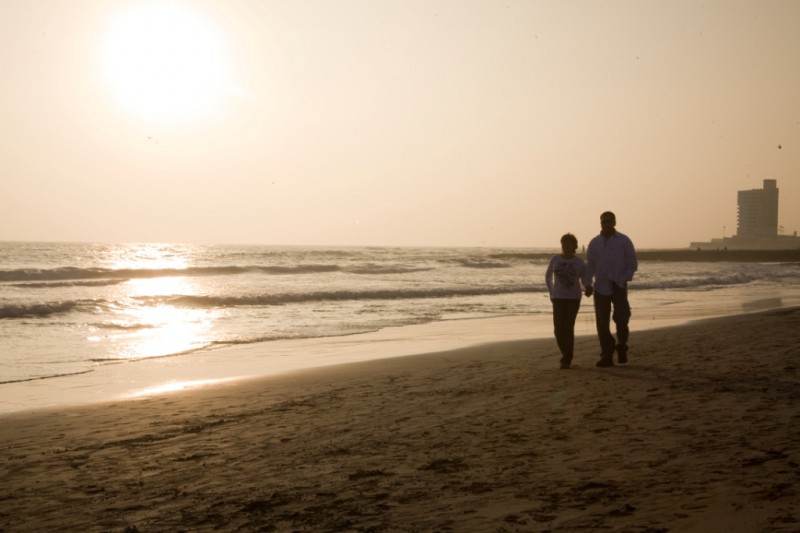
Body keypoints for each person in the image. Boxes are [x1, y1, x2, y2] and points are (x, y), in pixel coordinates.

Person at [584, 211, 638, 367]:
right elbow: (590, 266)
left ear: (614, 222)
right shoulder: (594, 243)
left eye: (608, 221)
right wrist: (587, 283)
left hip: (619, 285)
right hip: (601, 286)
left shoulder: (624, 241)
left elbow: (632, 263)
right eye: (603, 222)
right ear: (600, 223)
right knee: (602, 323)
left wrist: (623, 279)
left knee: (622, 318)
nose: (606, 224)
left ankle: (622, 345)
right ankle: (606, 355)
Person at [545, 233, 591, 369]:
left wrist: (588, 286)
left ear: (574, 246)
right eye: (564, 243)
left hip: (573, 298)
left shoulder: (579, 262)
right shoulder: (555, 259)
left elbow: (585, 278)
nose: (566, 246)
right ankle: (566, 353)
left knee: (568, 327)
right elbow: (548, 277)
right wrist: (551, 292)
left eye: (569, 244)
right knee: (558, 329)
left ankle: (567, 358)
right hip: (558, 297)